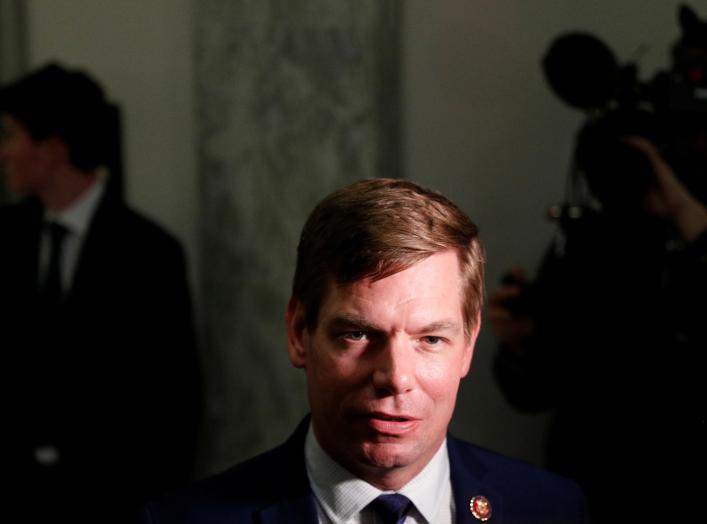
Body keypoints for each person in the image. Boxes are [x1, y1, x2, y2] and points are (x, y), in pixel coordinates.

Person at [139, 178, 589, 523]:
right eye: (358, 334)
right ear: (299, 332)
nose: (395, 376)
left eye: (430, 339)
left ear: (468, 346)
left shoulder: (553, 510)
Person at [0, 63, 202, 523]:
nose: (3, 153)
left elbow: (174, 398)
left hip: (111, 502)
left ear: (52, 149)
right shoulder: (7, 238)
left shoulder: (150, 253)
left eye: (12, 136)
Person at [490, 137, 706, 522]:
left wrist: (681, 209)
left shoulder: (686, 249)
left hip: (681, 473)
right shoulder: (581, 245)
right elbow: (535, 390)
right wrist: (519, 346)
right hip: (590, 476)